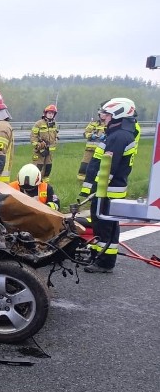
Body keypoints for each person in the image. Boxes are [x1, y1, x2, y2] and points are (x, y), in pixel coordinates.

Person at [80, 97, 139, 273]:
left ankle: (105, 262)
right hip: (105, 189)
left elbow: (108, 168)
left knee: (107, 226)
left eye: (106, 113)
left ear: (117, 114)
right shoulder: (115, 133)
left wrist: (96, 189)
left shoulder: (119, 136)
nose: (103, 116)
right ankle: (97, 254)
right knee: (100, 224)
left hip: (108, 190)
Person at [78, 106, 106, 184]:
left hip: (101, 151)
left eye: (104, 114)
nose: (103, 115)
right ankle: (81, 183)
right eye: (101, 113)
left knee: (97, 168)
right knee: (84, 167)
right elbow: (85, 133)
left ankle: (94, 183)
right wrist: (91, 135)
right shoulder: (93, 123)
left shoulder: (109, 124)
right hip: (89, 150)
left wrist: (106, 136)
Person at [30, 104, 59, 178]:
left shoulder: (54, 124)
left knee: (47, 169)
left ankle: (45, 185)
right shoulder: (39, 123)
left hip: (49, 152)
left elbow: (55, 135)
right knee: (37, 168)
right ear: (45, 113)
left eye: (52, 113)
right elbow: (33, 136)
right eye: (49, 113)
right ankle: (33, 183)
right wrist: (38, 145)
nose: (50, 115)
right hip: (40, 151)